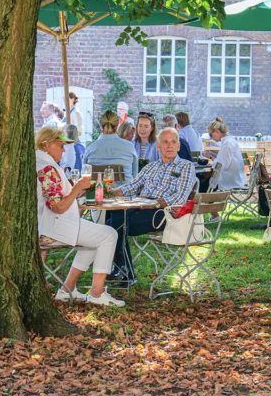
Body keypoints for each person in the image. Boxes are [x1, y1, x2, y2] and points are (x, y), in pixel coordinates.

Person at [35, 126, 123, 306]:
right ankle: (97, 294)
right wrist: (77, 188)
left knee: (93, 240)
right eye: (60, 145)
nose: (64, 150)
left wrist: (78, 192)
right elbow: (58, 207)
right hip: (52, 227)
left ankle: (67, 290)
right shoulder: (47, 169)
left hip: (49, 224)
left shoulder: (39, 163)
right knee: (109, 235)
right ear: (46, 145)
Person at [108, 127, 198, 281]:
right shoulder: (150, 167)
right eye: (165, 142)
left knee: (114, 225)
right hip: (139, 207)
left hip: (163, 213)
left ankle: (123, 271)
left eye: (173, 142)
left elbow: (180, 197)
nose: (169, 146)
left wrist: (155, 204)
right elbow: (131, 187)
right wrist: (111, 191)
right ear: (158, 146)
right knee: (114, 217)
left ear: (178, 146)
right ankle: (123, 271)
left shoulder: (186, 166)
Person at [84, 111, 139, 182]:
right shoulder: (129, 147)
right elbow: (135, 177)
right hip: (124, 192)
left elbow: (84, 178)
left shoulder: (90, 148)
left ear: (101, 126)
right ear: (117, 126)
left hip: (97, 191)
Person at [207, 118, 246, 190]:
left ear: (216, 131)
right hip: (235, 179)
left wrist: (211, 159)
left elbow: (221, 166)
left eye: (210, 134)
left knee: (200, 181)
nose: (211, 137)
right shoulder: (229, 141)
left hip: (229, 182)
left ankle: (205, 200)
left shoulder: (227, 143)